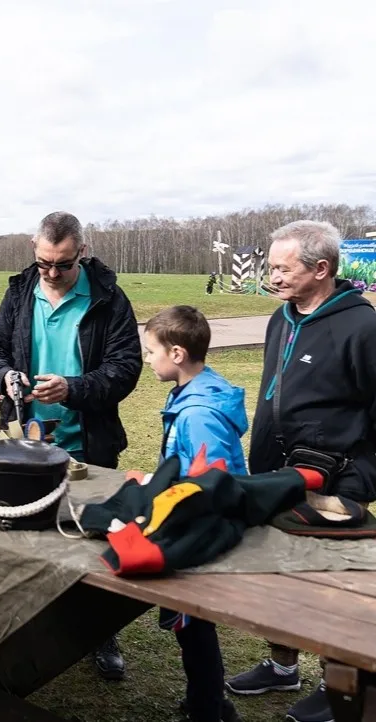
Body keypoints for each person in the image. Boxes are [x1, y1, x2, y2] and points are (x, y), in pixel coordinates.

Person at [224, 220, 376, 722]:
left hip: (337, 482)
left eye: (282, 268)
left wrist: (361, 480)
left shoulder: (362, 327)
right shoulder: (281, 318)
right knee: (279, 574)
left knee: (331, 586)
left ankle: (339, 689)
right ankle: (283, 663)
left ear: (321, 269)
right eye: (271, 267)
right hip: (276, 472)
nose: (273, 276)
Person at [0, 210, 142, 681]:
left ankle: (99, 633)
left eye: (63, 264)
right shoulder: (19, 291)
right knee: (24, 534)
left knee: (91, 544)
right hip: (24, 442)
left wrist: (73, 388)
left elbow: (125, 368)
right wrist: (4, 376)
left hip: (88, 444)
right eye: (44, 263)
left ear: (82, 254)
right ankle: (24, 624)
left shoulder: (109, 299)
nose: (51, 273)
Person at [144, 305, 247, 722]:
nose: (147, 359)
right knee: (191, 627)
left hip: (202, 531)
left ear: (177, 354)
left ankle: (208, 710)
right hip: (195, 524)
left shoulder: (199, 414)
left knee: (195, 629)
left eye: (151, 351)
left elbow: (213, 484)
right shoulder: (192, 393)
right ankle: (209, 702)